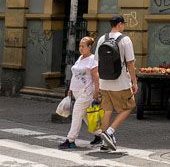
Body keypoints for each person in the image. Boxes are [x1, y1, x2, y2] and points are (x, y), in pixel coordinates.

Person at [94, 16, 139, 152]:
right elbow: (130, 63)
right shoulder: (125, 40)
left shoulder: (102, 38)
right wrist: (134, 81)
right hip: (120, 82)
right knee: (129, 106)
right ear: (119, 25)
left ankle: (104, 143)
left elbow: (97, 61)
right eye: (123, 24)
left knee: (107, 110)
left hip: (104, 82)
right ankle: (110, 132)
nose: (124, 26)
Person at [59, 36, 100, 150]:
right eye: (79, 46)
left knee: (77, 114)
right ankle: (99, 135)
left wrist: (96, 92)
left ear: (89, 47)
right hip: (77, 92)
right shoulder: (80, 58)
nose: (81, 48)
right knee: (86, 116)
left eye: (83, 46)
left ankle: (70, 140)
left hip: (86, 92)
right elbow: (75, 75)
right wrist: (70, 89)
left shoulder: (93, 59)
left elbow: (96, 77)